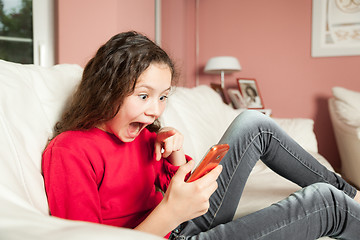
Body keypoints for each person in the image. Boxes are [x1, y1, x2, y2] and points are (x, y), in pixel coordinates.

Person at [42, 31, 360, 240]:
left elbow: (183, 191)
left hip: (187, 218)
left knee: (253, 122)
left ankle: (353, 193)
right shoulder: (70, 151)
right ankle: (344, 200)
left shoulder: (141, 135)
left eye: (163, 96)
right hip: (172, 233)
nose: (155, 110)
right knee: (325, 203)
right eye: (143, 96)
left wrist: (176, 156)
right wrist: (170, 213)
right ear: (105, 90)